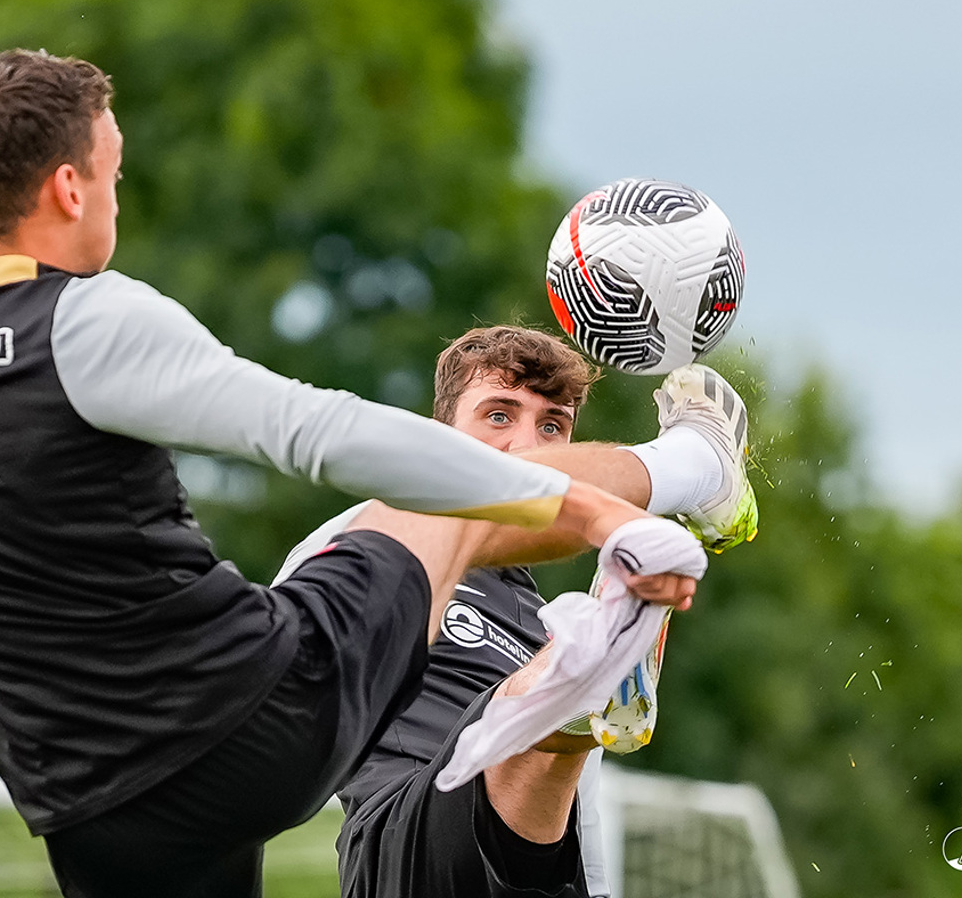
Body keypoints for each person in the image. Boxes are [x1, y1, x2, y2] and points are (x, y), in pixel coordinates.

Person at [0, 52, 707, 898]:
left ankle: (558, 697)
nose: (116, 195)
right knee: (426, 504)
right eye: (113, 173)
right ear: (67, 188)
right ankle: (684, 483)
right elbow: (321, 431)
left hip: (85, 801)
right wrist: (594, 513)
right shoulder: (85, 321)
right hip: (260, 721)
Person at [274, 326, 757, 898]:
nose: (528, 448)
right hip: (408, 846)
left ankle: (581, 674)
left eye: (552, 427)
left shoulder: (545, 617)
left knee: (560, 710)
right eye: (499, 415)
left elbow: (584, 820)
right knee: (517, 717)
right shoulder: (371, 540)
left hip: (539, 870)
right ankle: (693, 473)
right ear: (440, 435)